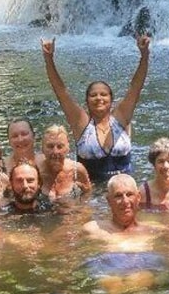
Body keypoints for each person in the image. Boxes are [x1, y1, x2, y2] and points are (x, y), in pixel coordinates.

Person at [40, 34, 150, 183]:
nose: (99, 98)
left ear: (111, 100)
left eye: (104, 94)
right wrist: (49, 59)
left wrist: (144, 56)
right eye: (93, 95)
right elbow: (61, 92)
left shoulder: (122, 117)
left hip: (123, 190)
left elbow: (135, 87)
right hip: (91, 194)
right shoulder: (81, 123)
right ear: (86, 101)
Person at [82, 174, 167, 294]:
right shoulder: (93, 229)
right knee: (113, 284)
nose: (125, 201)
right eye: (118, 196)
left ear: (138, 197)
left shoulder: (154, 229)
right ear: (108, 200)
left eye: (129, 194)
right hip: (108, 269)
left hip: (143, 266)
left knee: (140, 279)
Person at [38, 125, 92, 205]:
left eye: (60, 147)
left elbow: (88, 195)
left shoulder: (77, 171)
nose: (55, 152)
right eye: (50, 146)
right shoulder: (35, 172)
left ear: (68, 148)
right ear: (42, 149)